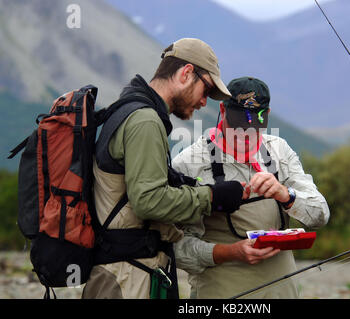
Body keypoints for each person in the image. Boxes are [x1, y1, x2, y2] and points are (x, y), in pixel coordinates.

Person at [82, 38, 247, 299]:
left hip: (125, 273)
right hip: (129, 279)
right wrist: (213, 198)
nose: (205, 103)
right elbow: (149, 200)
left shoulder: (132, 110)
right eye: (205, 91)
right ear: (186, 73)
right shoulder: (145, 121)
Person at [172, 76, 330, 299]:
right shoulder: (188, 163)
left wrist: (285, 195)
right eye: (239, 123)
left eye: (256, 123)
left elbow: (320, 215)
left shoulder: (279, 151)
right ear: (223, 110)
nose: (247, 131)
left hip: (283, 290)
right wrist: (229, 252)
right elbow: (175, 247)